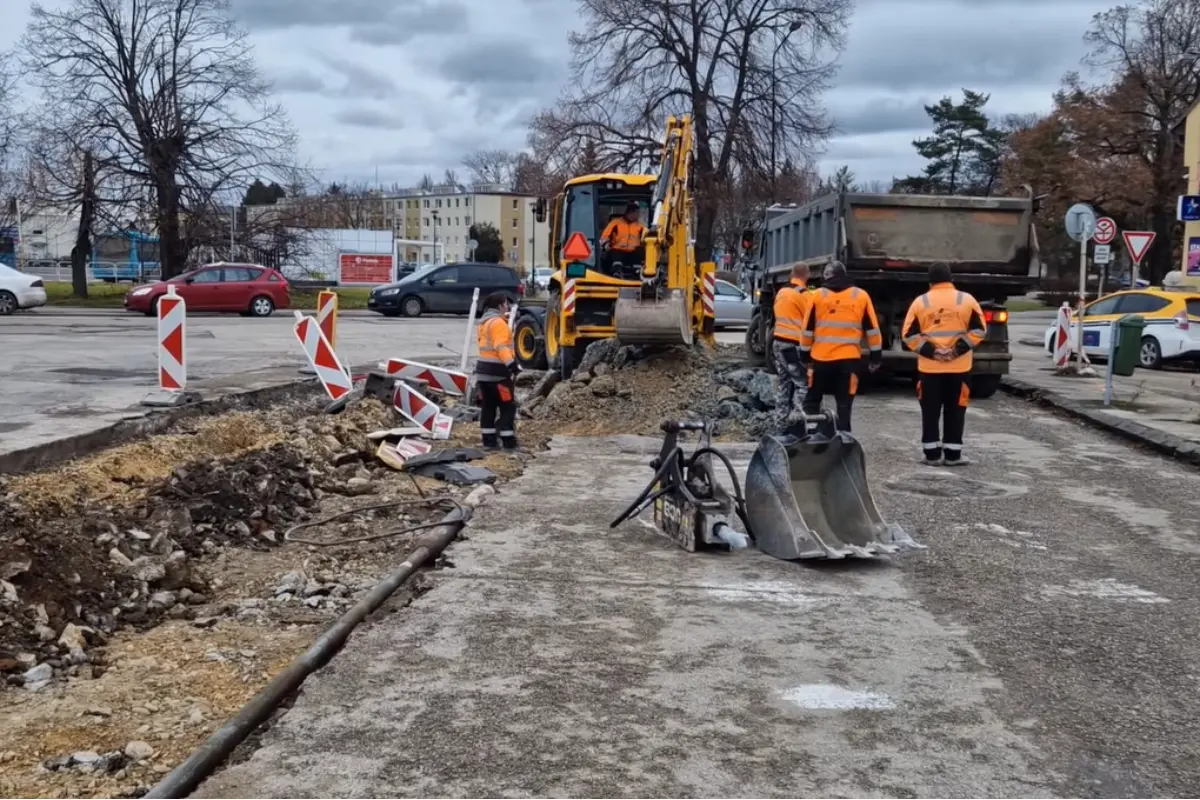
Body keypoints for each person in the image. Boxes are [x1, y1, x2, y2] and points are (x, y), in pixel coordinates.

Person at [901, 262, 987, 466]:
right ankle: (953, 455)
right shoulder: (967, 300)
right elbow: (979, 330)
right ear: (951, 279)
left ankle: (931, 454)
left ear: (930, 281)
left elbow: (908, 335)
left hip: (930, 368)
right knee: (956, 410)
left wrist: (933, 352)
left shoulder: (920, 302)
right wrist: (956, 350)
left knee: (930, 411)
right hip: (959, 367)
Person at [798, 261, 882, 432]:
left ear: (827, 276)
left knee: (812, 401)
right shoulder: (861, 296)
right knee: (844, 406)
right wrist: (875, 357)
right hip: (848, 361)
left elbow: (807, 330)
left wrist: (805, 356)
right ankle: (843, 442)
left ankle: (810, 439)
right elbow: (873, 331)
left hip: (820, 360)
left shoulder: (817, 296)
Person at [474, 292, 520, 450]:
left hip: (483, 373)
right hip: (498, 374)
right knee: (507, 406)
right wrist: (512, 366)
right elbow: (500, 347)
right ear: (500, 305)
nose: (507, 307)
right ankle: (508, 442)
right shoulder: (499, 323)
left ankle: (489, 442)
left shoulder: (484, 323)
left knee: (488, 407)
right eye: (506, 304)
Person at [771, 262, 814, 432]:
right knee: (801, 385)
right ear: (807, 275)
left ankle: (780, 425)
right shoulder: (804, 296)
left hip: (778, 344)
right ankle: (798, 425)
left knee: (784, 384)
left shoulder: (782, 292)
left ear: (792, 274)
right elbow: (811, 322)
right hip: (793, 345)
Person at [599, 202, 645, 273]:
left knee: (640, 254)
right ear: (631, 212)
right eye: (637, 213)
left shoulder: (640, 226)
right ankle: (617, 272)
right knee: (615, 256)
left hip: (633, 252)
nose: (639, 216)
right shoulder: (615, 223)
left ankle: (637, 273)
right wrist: (605, 245)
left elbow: (647, 237)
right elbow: (605, 236)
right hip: (618, 250)